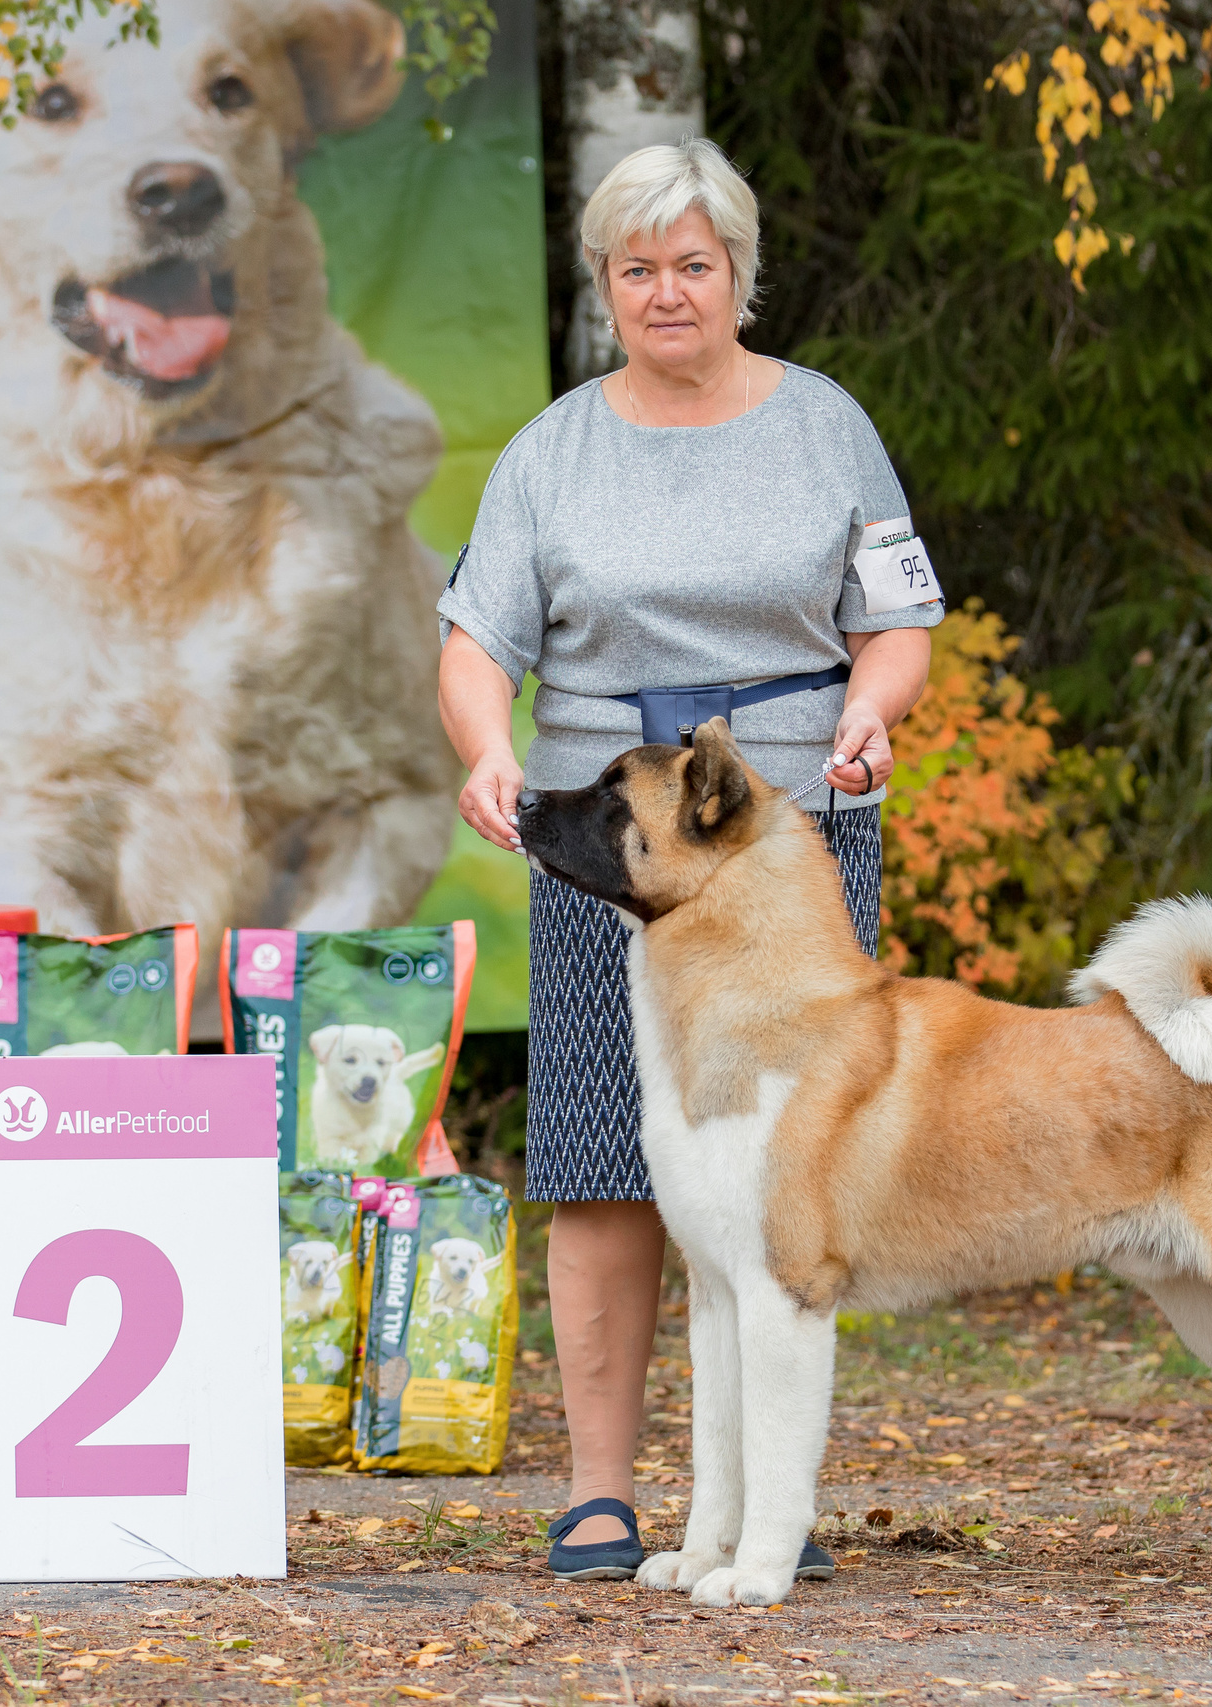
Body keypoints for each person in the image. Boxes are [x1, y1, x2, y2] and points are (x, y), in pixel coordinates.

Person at [435, 137, 943, 1580]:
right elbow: (476, 643)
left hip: (791, 850)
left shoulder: (828, 426)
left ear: (739, 275)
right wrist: (486, 748)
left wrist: (871, 712)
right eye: (638, 268)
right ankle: (601, 1493)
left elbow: (897, 625)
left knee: (790, 1184)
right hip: (610, 859)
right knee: (605, 1163)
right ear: (605, 284)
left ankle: (770, 1509)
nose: (668, 292)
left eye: (694, 265)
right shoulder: (550, 452)